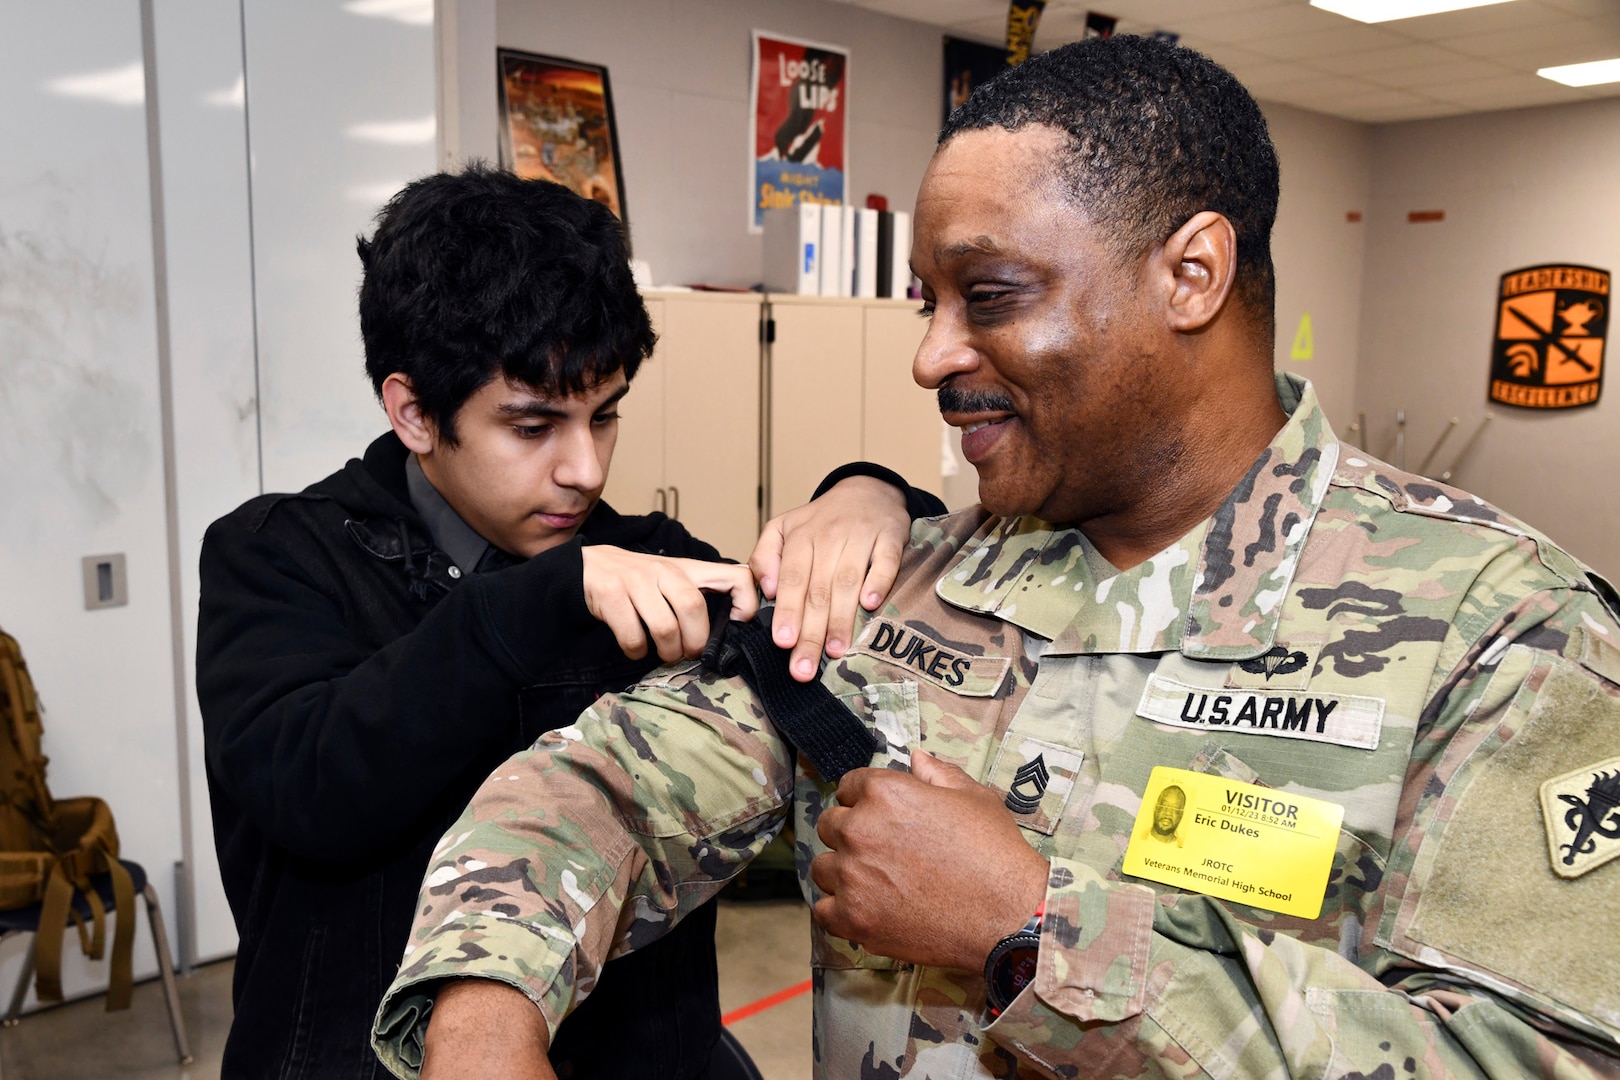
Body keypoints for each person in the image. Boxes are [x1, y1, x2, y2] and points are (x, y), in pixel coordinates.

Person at [371, 39, 1620, 1080]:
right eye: (926, 301)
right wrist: (487, 1016)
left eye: (990, 295)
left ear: (1191, 273)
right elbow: (605, 788)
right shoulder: (895, 585)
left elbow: (1532, 1058)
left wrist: (1037, 934)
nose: (929, 356)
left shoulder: (1504, 636)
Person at [195, 166, 941, 1079]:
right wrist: (545, 596)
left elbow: (818, 655)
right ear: (414, 412)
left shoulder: (648, 553)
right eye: (534, 426)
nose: (585, 469)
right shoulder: (276, 555)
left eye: (607, 414)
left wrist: (872, 494)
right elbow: (314, 789)